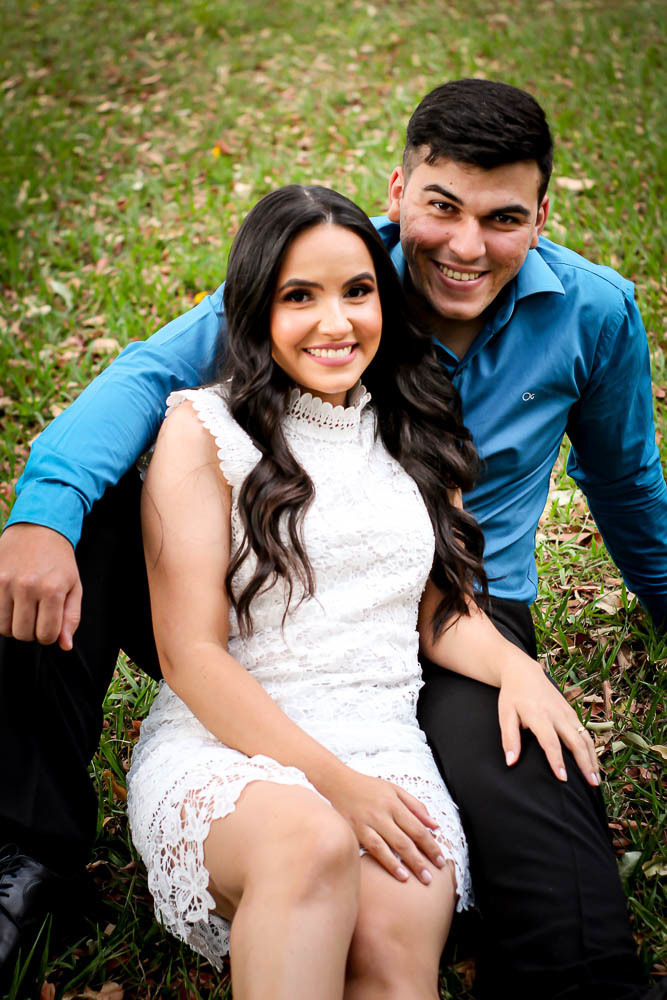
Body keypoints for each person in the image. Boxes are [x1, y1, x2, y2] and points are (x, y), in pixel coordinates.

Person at [0, 79, 665, 998]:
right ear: (399, 192)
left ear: (541, 216)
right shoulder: (334, 270)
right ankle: (28, 851)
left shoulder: (584, 317)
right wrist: (43, 509)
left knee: (529, 774)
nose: (466, 247)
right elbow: (147, 375)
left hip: (456, 607)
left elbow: (623, 482)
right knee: (72, 527)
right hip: (256, 608)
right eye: (442, 208)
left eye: (503, 218)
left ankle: (577, 972)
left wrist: (557, 648)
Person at [125, 183, 601, 999]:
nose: (336, 322)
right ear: (256, 308)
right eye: (299, 296)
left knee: (392, 957)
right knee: (307, 843)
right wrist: (334, 787)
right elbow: (190, 656)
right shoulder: (202, 429)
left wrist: (516, 669)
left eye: (357, 291)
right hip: (230, 743)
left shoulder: (418, 424)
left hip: (382, 746)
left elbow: (439, 613)